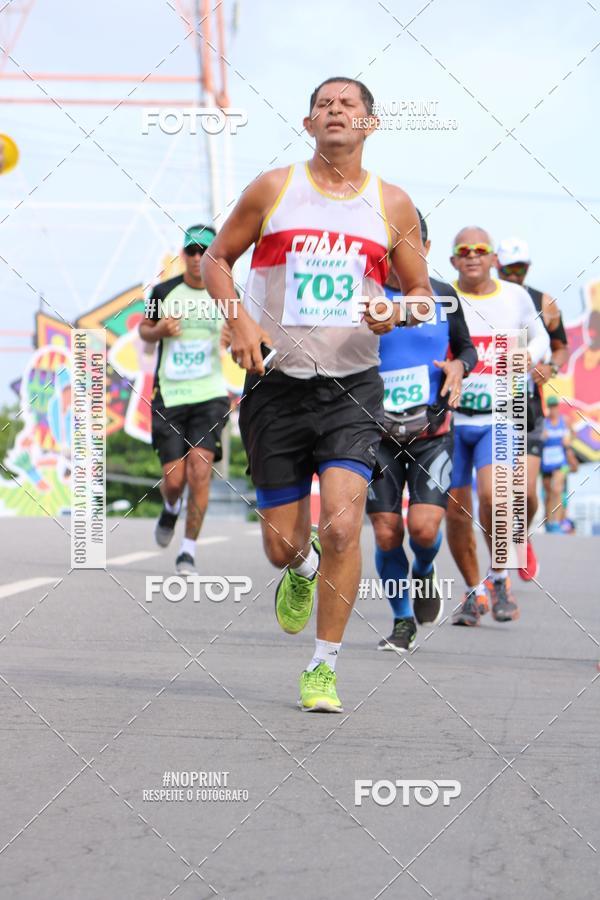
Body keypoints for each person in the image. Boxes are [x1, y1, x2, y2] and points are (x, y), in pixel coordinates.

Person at [202, 76, 432, 712]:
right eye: (324, 104)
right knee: (283, 545)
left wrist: (395, 310)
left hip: (351, 390)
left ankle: (323, 667)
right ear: (309, 125)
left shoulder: (394, 205)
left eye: (349, 103)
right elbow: (218, 258)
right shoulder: (275, 189)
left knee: (342, 524)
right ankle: (299, 576)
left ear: (369, 124)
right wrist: (238, 319)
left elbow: (423, 295)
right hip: (275, 387)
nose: (336, 110)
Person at [366, 210, 476, 651]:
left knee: (425, 530)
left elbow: (467, 348)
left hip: (432, 431)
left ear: (426, 251)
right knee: (387, 531)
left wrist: (458, 365)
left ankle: (426, 570)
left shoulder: (445, 296)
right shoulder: (367, 295)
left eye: (409, 249)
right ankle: (402, 620)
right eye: (391, 250)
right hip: (376, 434)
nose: (399, 259)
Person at [446, 227, 550, 627]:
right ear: (454, 260)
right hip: (453, 419)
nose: (472, 256)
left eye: (481, 250)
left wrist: (529, 354)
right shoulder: (443, 297)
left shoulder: (515, 297)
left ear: (493, 259)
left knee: (495, 497)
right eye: (464, 251)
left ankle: (501, 578)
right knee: (456, 513)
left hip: (502, 413)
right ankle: (475, 592)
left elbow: (540, 334)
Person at [139, 225, 230, 575]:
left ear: (213, 255)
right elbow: (144, 332)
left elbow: (240, 333)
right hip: (171, 395)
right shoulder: (163, 292)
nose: (196, 258)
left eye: (203, 251)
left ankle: (188, 551)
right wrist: (160, 330)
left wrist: (232, 336)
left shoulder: (225, 293)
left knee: (200, 471)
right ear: (183, 254)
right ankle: (170, 508)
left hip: (209, 395)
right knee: (174, 480)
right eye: (190, 251)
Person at [496, 237, 569, 577]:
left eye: (519, 269)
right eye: (507, 269)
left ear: (527, 269)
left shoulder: (544, 302)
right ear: (497, 267)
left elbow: (560, 348)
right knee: (492, 494)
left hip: (527, 408)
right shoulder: (485, 299)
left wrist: (550, 368)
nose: (513, 275)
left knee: (525, 494)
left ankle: (521, 535)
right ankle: (493, 575)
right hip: (490, 407)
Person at [541, 394, 577, 532]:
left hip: (561, 461)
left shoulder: (565, 421)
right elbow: (537, 438)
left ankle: (556, 521)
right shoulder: (544, 422)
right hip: (547, 462)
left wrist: (569, 441)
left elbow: (573, 434)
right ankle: (549, 521)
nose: (553, 409)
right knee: (548, 494)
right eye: (551, 406)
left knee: (557, 489)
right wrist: (542, 437)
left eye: (555, 406)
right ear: (549, 408)